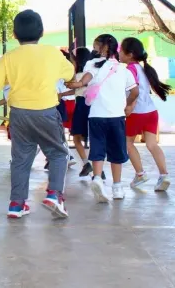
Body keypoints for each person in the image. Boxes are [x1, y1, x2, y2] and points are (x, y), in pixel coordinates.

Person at [0, 10, 74, 219]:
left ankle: (16, 204)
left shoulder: (9, 57)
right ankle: (54, 194)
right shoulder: (52, 53)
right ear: (42, 32)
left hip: (19, 115)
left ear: (15, 34)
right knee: (58, 153)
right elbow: (70, 74)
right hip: (46, 112)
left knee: (21, 159)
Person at [66, 34, 139, 203]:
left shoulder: (91, 64)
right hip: (116, 116)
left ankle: (98, 178)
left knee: (97, 149)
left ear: (101, 47)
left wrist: (76, 84)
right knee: (116, 152)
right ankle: (117, 188)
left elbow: (85, 81)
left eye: (95, 45)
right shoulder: (123, 68)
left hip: (96, 115)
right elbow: (135, 92)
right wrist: (127, 105)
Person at [120, 37, 171, 191]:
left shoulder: (130, 69)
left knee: (128, 143)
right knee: (152, 144)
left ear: (129, 54)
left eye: (121, 51)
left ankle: (140, 174)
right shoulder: (143, 68)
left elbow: (133, 92)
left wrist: (129, 106)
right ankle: (164, 175)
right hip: (151, 112)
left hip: (136, 113)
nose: (119, 54)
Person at [68, 48, 94, 177]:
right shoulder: (92, 74)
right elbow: (76, 89)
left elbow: (73, 87)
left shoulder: (77, 76)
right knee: (94, 138)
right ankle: (98, 167)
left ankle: (86, 163)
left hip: (81, 106)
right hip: (93, 107)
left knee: (76, 138)